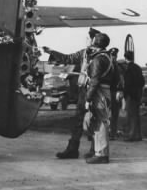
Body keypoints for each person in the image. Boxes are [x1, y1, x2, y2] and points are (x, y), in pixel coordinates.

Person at [43, 27, 101, 159]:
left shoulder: (100, 56)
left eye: (88, 38)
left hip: (95, 92)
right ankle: (72, 149)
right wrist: (51, 51)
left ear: (93, 39)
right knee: (78, 121)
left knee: (94, 120)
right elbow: (67, 58)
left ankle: (95, 150)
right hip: (84, 91)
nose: (86, 40)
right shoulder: (84, 53)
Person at [84, 33, 114, 164]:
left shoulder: (97, 59)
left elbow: (94, 81)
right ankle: (99, 152)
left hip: (99, 91)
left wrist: (88, 98)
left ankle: (101, 153)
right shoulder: (108, 57)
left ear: (95, 43)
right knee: (100, 119)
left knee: (100, 120)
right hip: (105, 90)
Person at [123, 51, 145, 141]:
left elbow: (127, 84)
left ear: (125, 58)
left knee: (131, 116)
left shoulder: (128, 69)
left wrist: (125, 94)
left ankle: (131, 136)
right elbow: (142, 81)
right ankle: (138, 135)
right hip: (137, 94)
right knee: (136, 115)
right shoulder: (138, 67)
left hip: (131, 95)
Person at [108, 48, 124, 140]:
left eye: (115, 56)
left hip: (114, 92)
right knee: (106, 114)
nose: (114, 57)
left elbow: (120, 80)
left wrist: (120, 90)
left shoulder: (118, 67)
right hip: (107, 92)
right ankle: (109, 132)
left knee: (114, 114)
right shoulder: (108, 65)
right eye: (112, 55)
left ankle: (112, 133)